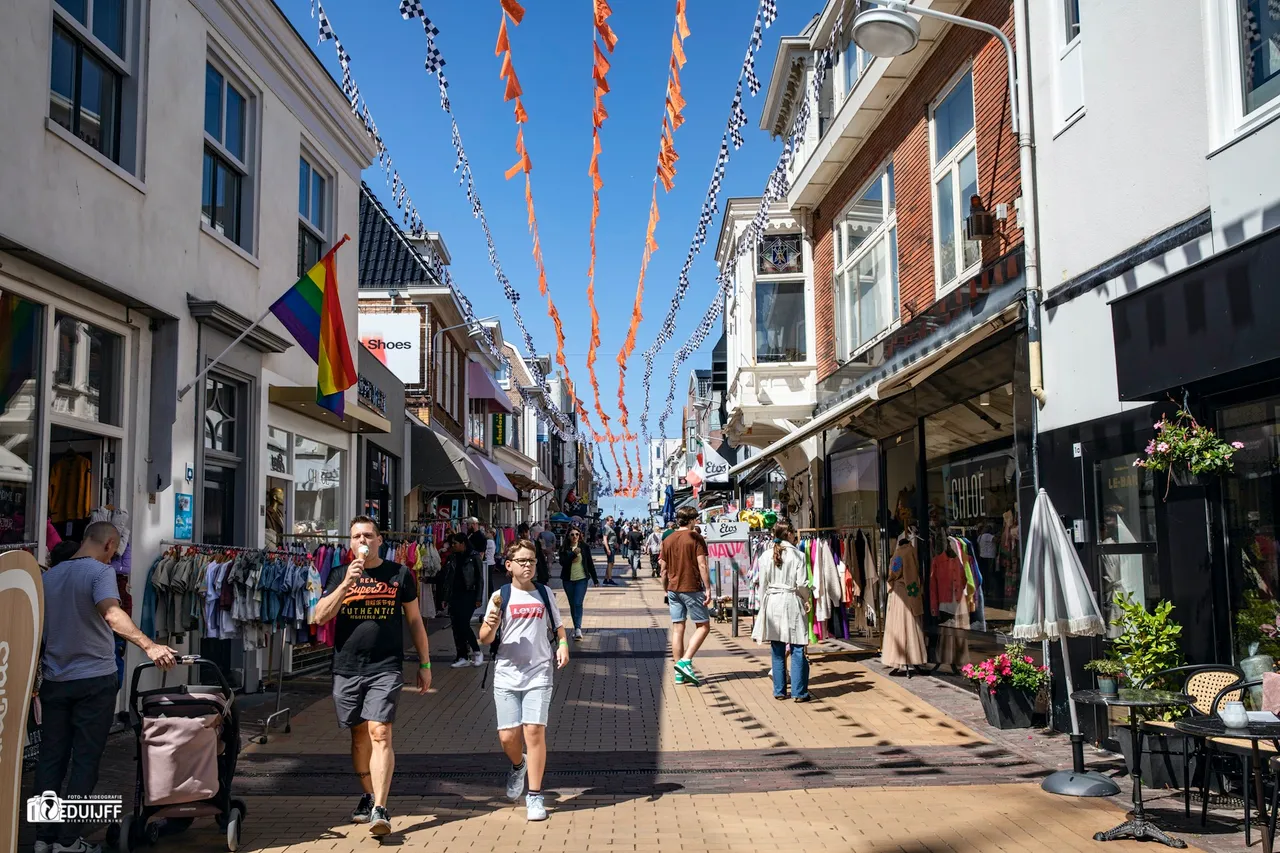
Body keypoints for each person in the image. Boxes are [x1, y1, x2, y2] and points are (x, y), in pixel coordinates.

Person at [35, 522, 179, 853]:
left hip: (55, 680)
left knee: (51, 760)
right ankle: (68, 841)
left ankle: (44, 837)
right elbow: (113, 615)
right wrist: (149, 645)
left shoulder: (48, 577)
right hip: (94, 681)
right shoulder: (100, 573)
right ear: (110, 544)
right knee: (85, 760)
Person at [313, 516, 432, 837]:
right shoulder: (339, 573)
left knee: (380, 732)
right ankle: (367, 795)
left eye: (368, 535)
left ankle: (381, 806)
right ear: (350, 543)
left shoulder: (400, 574)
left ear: (380, 540)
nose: (362, 541)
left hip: (386, 667)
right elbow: (319, 615)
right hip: (347, 667)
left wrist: (425, 663)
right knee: (358, 736)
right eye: (356, 537)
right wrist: (344, 585)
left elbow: (415, 621)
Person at [478, 540, 569, 822]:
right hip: (506, 673)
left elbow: (558, 626)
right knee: (508, 736)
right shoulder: (500, 595)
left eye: (531, 560)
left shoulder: (544, 593)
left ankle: (535, 795)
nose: (527, 565)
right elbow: (484, 638)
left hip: (539, 672)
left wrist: (563, 644)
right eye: (521, 561)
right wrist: (491, 625)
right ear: (509, 565)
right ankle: (519, 765)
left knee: (534, 733)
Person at [750, 519, 813, 702]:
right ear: (789, 534)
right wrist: (806, 598)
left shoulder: (765, 556)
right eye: (793, 533)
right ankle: (799, 692)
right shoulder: (798, 556)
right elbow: (801, 584)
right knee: (798, 646)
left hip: (772, 602)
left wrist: (763, 604)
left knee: (777, 648)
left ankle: (779, 691)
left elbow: (762, 585)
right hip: (792, 600)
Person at [659, 506, 711, 686]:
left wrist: (665, 588)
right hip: (692, 587)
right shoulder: (695, 537)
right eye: (696, 519)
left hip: (673, 588)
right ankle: (685, 660)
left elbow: (663, 569)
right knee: (703, 626)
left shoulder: (668, 538)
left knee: (677, 629)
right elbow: (702, 565)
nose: (697, 522)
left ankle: (679, 674)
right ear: (690, 520)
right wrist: (708, 588)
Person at [441, 532, 485, 668]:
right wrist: (445, 597)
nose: (452, 546)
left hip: (469, 594)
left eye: (455, 543)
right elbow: (446, 577)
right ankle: (462, 655)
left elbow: (479, 579)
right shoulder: (452, 557)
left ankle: (477, 651)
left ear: (463, 544)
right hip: (455, 595)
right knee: (456, 626)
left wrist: (478, 598)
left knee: (464, 624)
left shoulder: (474, 556)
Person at [558, 528, 599, 640]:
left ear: (580, 535)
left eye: (577, 534)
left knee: (577, 603)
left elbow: (590, 563)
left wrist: (595, 579)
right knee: (572, 604)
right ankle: (576, 626)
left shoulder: (584, 547)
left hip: (582, 579)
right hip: (568, 580)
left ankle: (578, 629)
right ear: (568, 536)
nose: (575, 536)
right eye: (572, 534)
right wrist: (572, 554)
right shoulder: (564, 548)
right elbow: (563, 563)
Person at [602, 518, 619, 585]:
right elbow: (605, 539)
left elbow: (611, 538)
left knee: (611, 563)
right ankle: (610, 579)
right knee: (610, 563)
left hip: (612, 546)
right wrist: (608, 549)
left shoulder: (610, 527)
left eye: (613, 520)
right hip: (609, 547)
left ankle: (606, 579)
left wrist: (615, 543)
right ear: (607, 521)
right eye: (611, 520)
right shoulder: (606, 528)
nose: (612, 522)